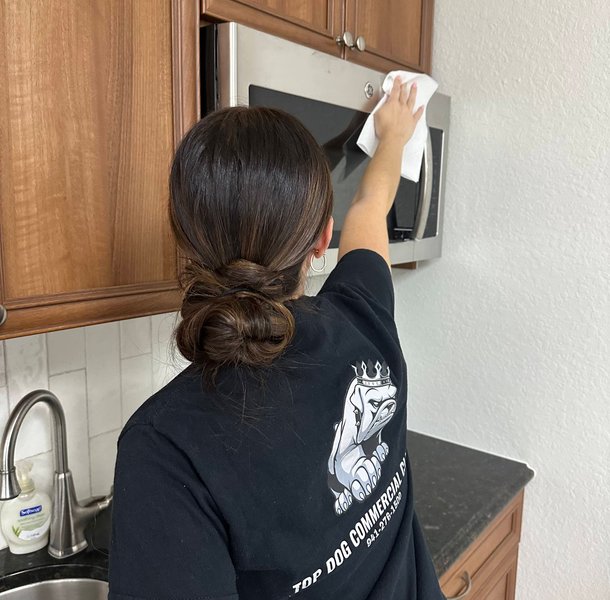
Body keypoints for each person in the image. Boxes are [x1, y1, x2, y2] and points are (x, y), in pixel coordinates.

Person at [108, 78, 445, 600]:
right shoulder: (363, 316)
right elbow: (370, 209)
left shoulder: (167, 450)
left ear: (183, 241)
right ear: (322, 237)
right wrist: (395, 135)